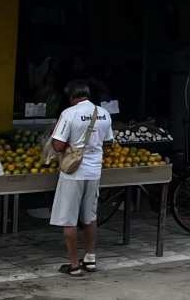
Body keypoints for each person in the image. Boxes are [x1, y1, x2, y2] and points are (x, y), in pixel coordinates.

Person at [49, 80, 113, 277]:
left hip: (73, 172)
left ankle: (74, 265)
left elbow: (58, 146)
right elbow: (109, 142)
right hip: (94, 171)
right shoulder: (103, 113)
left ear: (71, 97)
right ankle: (91, 258)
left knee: (69, 219)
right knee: (90, 216)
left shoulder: (69, 113)